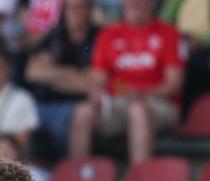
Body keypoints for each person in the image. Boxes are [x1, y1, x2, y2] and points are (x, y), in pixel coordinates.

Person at [69, 0, 185, 165]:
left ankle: (140, 180)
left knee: (137, 110)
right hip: (118, 103)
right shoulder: (108, 34)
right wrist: (96, 94)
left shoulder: (169, 33)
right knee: (83, 112)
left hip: (160, 104)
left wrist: (142, 93)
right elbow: (97, 79)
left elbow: (174, 85)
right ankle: (78, 178)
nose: (135, 4)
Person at [24, 0, 98, 156]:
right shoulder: (56, 35)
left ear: (90, 10)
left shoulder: (97, 37)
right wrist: (71, 75)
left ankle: (76, 174)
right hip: (42, 103)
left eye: (79, 8)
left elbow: (90, 84)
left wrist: (51, 74)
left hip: (75, 105)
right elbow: (33, 71)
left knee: (82, 114)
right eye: (70, 8)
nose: (74, 13)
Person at [160, 0, 210, 116]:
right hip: (179, 40)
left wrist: (203, 42)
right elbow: (164, 22)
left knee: (190, 64)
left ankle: (188, 115)